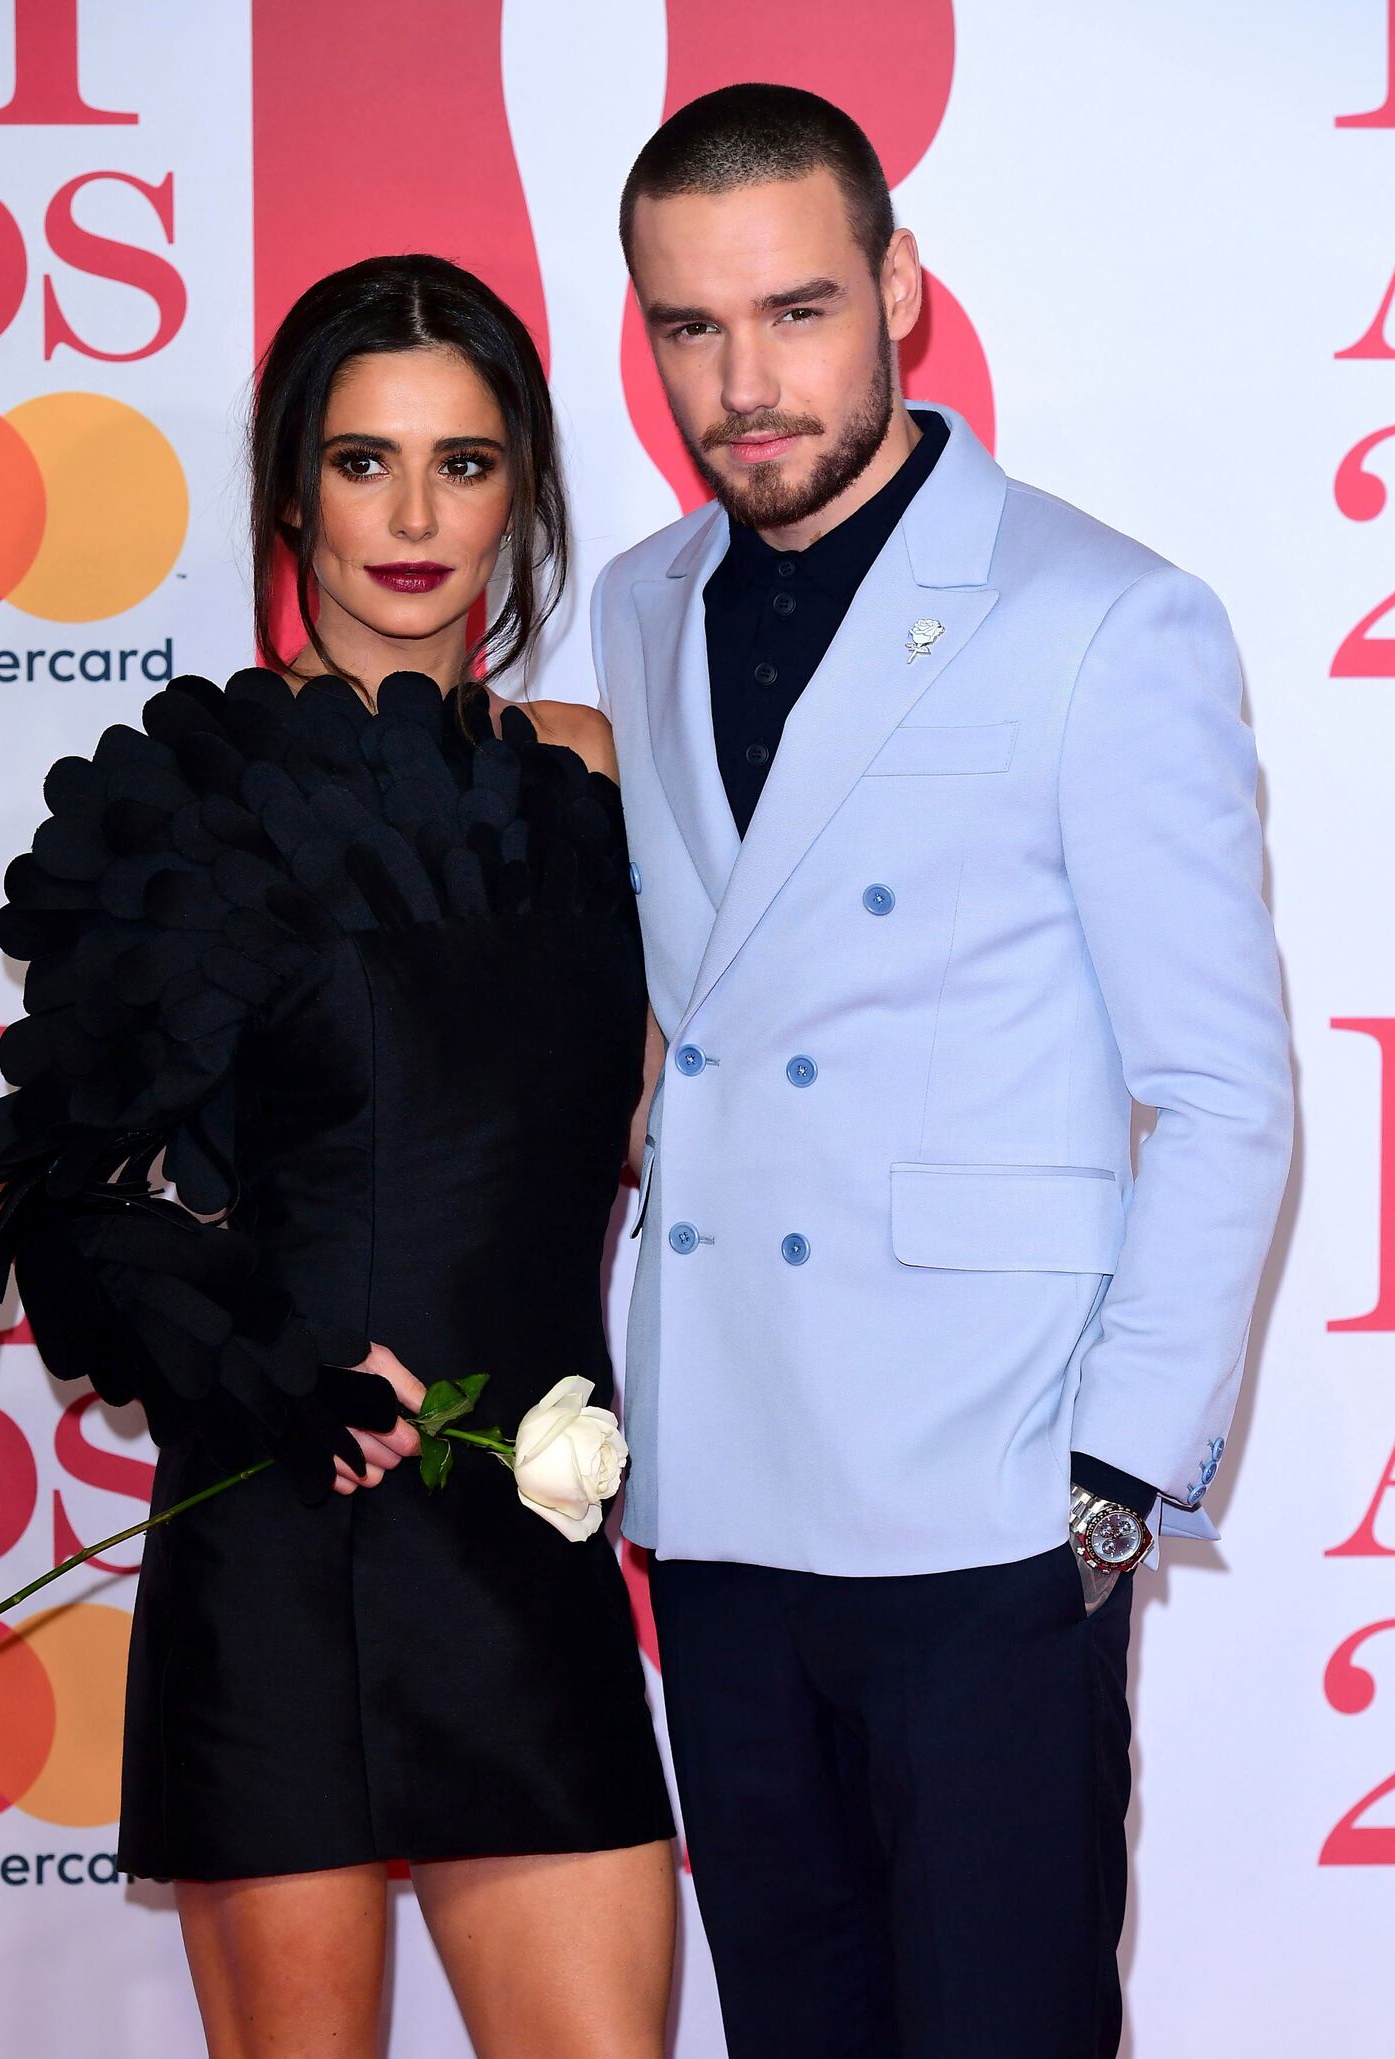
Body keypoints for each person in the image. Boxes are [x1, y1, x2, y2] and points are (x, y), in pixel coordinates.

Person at [593, 84, 1293, 2059]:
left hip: (984, 1504)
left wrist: (1106, 1491)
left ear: (898, 285)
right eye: (688, 329)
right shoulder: (638, 606)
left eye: (796, 311)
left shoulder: (1098, 616)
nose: (744, 382)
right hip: (722, 1497)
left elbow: (1221, 1085)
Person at [0, 254, 676, 2059]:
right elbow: (60, 1213)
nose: (415, 517)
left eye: (468, 463)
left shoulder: (604, 782)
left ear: (527, 490)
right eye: (363, 462)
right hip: (283, 1534)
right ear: (288, 488)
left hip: (526, 1546)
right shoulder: (197, 806)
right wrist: (282, 1374)